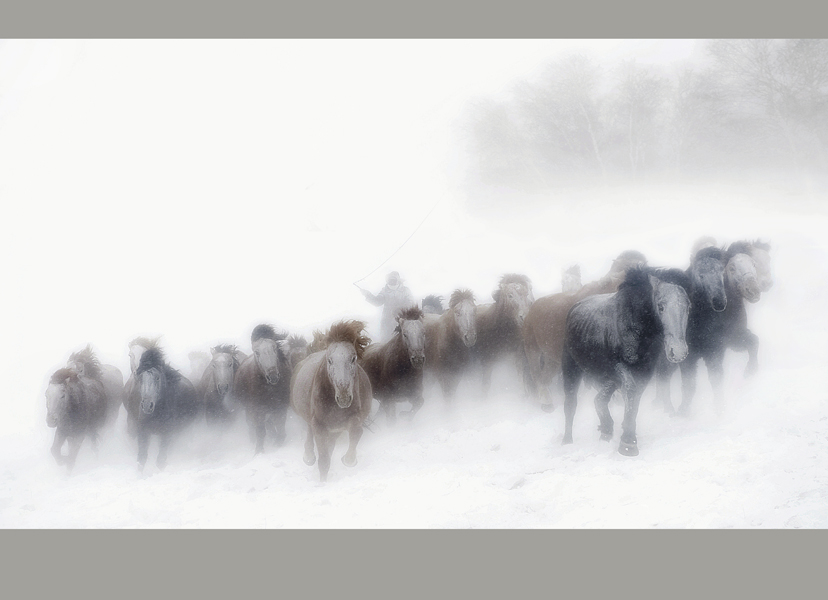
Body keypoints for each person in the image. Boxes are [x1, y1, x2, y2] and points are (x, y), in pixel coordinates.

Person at [360, 271, 415, 342]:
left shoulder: (405, 290)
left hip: (403, 320)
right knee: (386, 341)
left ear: (398, 280)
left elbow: (411, 303)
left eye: (393, 280)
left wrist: (400, 309)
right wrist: (368, 295)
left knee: (404, 340)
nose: (391, 282)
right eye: (390, 280)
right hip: (387, 322)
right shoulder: (385, 291)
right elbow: (377, 302)